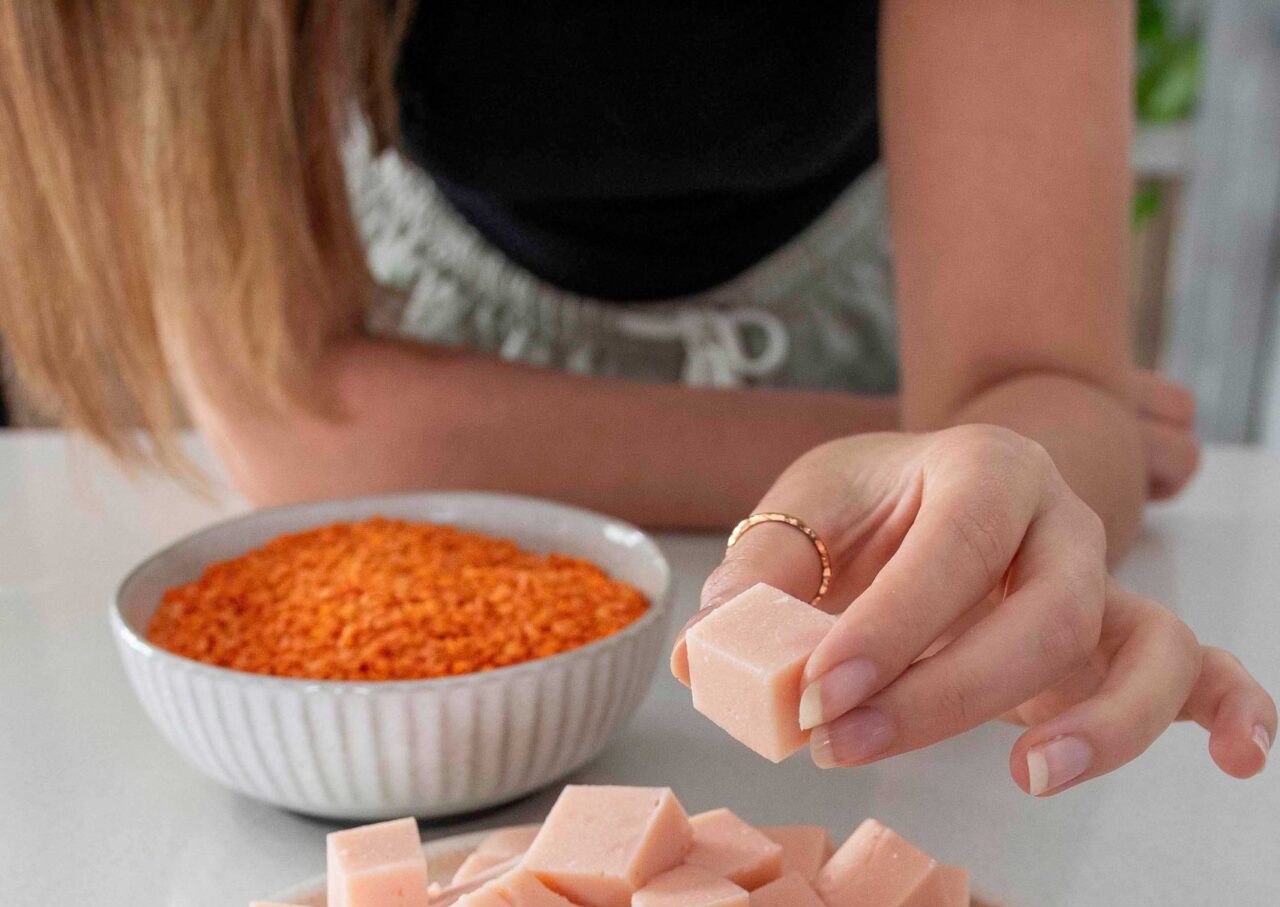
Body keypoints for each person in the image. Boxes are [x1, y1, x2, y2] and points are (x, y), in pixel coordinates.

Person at [0, 0, 1271, 792]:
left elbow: (1041, 395)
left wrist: (1003, 456)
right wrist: (869, 451)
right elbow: (286, 406)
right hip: (453, 336)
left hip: (860, 315)